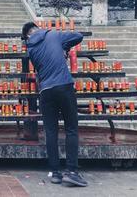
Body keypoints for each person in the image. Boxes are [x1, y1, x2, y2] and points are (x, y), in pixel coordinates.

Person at [21, 21, 88, 187]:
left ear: (28, 36)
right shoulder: (54, 35)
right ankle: (71, 172)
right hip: (64, 85)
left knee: (51, 131)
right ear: (37, 29)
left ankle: (56, 173)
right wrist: (64, 47)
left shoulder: (30, 49)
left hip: (45, 91)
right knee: (71, 128)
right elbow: (78, 36)